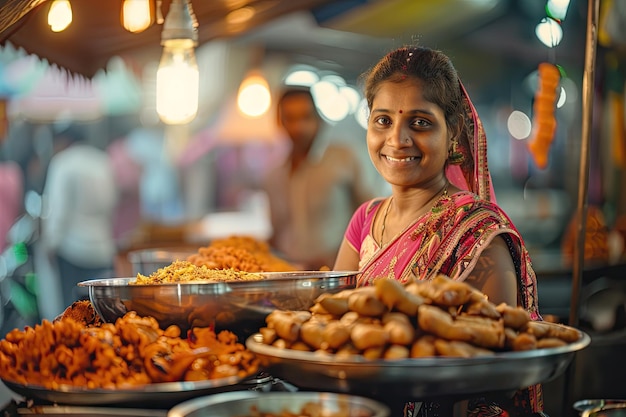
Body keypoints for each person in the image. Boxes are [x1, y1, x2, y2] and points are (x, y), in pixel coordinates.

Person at [333, 46, 543, 416]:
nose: (397, 139)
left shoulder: (478, 234)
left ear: (453, 130)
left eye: (420, 122)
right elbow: (332, 325)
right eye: (383, 121)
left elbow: (493, 372)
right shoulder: (365, 219)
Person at [263, 87, 376, 270]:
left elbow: (372, 218)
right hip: (289, 275)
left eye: (305, 117)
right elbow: (276, 234)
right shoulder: (274, 175)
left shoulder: (345, 159)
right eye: (290, 118)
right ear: (280, 122)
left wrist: (341, 257)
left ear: (318, 119)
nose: (298, 127)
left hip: (338, 273)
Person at [40, 125, 118, 310]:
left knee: (72, 312)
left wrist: (50, 243)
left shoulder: (63, 162)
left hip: (71, 249)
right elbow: (112, 202)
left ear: (64, 140)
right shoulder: (103, 161)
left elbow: (58, 209)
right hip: (102, 247)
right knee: (101, 310)